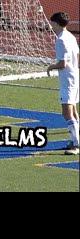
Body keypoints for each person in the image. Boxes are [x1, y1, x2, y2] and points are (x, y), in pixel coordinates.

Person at [46, 12, 79, 156]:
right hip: (74, 76)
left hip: (67, 79)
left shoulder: (60, 40)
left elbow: (62, 63)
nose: (51, 25)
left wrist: (50, 67)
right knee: (74, 111)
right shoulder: (70, 36)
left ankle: (76, 144)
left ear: (56, 23)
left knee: (67, 113)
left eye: (52, 22)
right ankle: (75, 140)